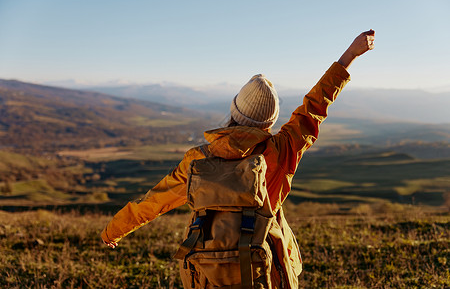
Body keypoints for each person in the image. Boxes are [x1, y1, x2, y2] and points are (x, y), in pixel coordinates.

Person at [101, 30, 375, 287]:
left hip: (210, 274)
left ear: (234, 111)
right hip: (268, 270)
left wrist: (114, 230)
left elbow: (155, 200)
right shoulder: (280, 151)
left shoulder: (198, 159)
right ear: (270, 121)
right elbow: (314, 107)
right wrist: (348, 57)